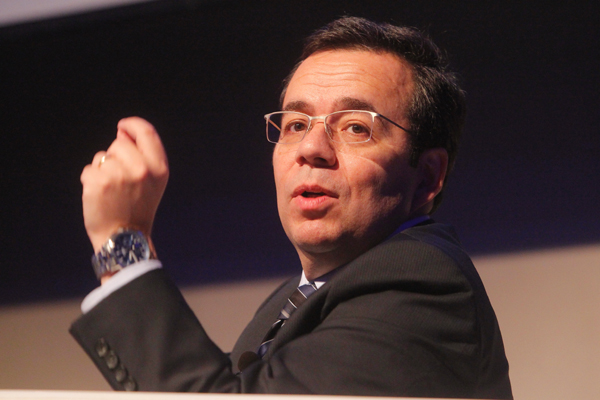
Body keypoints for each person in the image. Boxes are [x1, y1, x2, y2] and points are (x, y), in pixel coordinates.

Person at [71, 16, 512, 398]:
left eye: (355, 127)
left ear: (428, 176)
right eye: (296, 124)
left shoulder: (421, 285)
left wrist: (122, 242)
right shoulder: (295, 298)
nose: (311, 148)